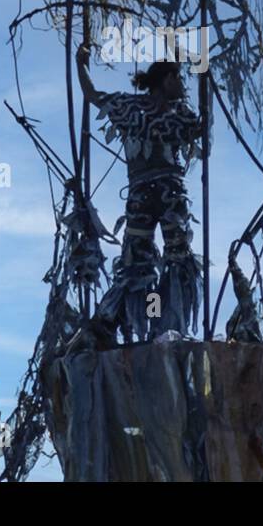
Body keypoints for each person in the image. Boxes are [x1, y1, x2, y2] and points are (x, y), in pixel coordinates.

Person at [75, 42, 204, 342]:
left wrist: (81, 64)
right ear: (166, 79)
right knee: (145, 264)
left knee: (169, 261)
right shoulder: (139, 108)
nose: (183, 86)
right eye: (179, 79)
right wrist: (81, 64)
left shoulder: (175, 113)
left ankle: (163, 324)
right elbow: (93, 96)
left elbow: (201, 139)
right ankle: (147, 322)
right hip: (153, 197)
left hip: (162, 197)